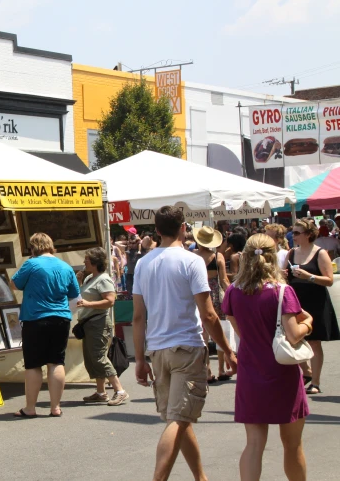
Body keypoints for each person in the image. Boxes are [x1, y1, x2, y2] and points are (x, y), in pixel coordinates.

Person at [133, 206, 237, 481]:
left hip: (158, 349)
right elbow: (209, 314)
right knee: (179, 419)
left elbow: (137, 317)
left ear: (156, 231)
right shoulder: (192, 262)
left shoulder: (143, 262)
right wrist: (227, 350)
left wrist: (141, 359)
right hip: (187, 347)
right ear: (184, 228)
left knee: (179, 418)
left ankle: (200, 477)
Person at [222, 234, 311, 481]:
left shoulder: (233, 291)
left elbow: (237, 327)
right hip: (283, 374)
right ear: (274, 257)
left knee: (254, 445)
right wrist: (310, 324)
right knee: (292, 445)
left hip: (251, 374)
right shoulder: (283, 291)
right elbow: (293, 335)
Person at [11, 232, 80, 418]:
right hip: (61, 319)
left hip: (36, 318)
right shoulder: (65, 266)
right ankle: (55, 407)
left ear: (34, 247)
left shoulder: (32, 264)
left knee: (33, 364)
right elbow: (74, 294)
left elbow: (14, 284)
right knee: (56, 362)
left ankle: (30, 408)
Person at [285, 219, 340, 395]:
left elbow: (329, 280)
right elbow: (284, 276)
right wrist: (283, 274)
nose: (293, 236)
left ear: (308, 235)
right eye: (292, 232)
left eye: (296, 233)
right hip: (295, 299)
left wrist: (309, 276)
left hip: (315, 299)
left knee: (314, 341)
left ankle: (315, 382)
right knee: (291, 338)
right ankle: (306, 373)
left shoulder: (320, 253)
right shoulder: (292, 253)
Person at [78, 247, 129, 406]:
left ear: (95, 262)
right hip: (89, 322)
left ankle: (120, 391)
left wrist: (88, 303)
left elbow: (110, 301)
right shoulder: (89, 278)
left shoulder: (104, 279)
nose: (84, 262)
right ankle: (101, 392)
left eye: (86, 259)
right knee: (92, 358)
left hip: (98, 322)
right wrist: (79, 281)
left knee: (99, 357)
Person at [194, 226, 233, 382]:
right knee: (220, 329)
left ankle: (207, 370)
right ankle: (222, 369)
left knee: (203, 333)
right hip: (216, 293)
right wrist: (232, 295)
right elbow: (224, 280)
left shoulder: (193, 256)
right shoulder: (218, 256)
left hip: (200, 293)